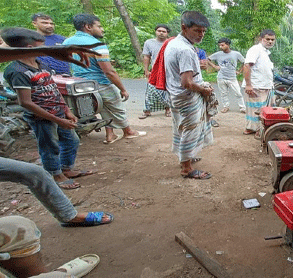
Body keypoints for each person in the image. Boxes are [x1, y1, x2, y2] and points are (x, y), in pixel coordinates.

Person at [2, 28, 95, 190]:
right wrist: (58, 120)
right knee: (49, 146)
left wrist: (66, 110)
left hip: (58, 112)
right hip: (41, 117)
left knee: (71, 140)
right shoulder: (17, 71)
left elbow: (52, 87)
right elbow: (26, 103)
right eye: (43, 47)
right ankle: (55, 174)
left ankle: (66, 168)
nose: (47, 50)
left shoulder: (41, 63)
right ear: (31, 48)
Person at [63, 13, 146, 144]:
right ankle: (128, 132)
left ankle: (110, 135)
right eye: (99, 26)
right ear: (88, 27)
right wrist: (123, 89)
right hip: (100, 82)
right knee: (117, 106)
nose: (102, 29)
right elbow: (109, 71)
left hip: (80, 84)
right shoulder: (96, 44)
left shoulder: (66, 42)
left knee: (103, 108)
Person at [163, 11, 214, 180]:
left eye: (203, 31)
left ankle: (185, 157)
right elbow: (187, 83)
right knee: (190, 131)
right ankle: (187, 168)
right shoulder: (185, 50)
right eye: (197, 31)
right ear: (184, 28)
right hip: (186, 96)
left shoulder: (173, 43)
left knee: (182, 128)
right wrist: (204, 90)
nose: (201, 35)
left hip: (176, 95)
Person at [242, 29, 276, 135]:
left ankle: (259, 129)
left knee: (265, 109)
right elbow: (247, 65)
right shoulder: (255, 49)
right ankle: (254, 129)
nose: (270, 41)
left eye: (272, 39)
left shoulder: (265, 52)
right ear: (261, 39)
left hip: (266, 86)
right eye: (267, 39)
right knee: (256, 109)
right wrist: (248, 85)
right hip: (256, 86)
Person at [139, 24, 171, 119]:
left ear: (167, 33)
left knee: (167, 90)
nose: (161, 33)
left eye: (164, 31)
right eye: (159, 31)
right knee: (151, 90)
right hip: (155, 70)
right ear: (155, 32)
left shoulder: (171, 43)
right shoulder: (149, 43)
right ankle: (147, 110)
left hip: (168, 71)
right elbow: (146, 57)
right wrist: (146, 70)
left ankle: (168, 108)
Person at [207, 37, 246, 114]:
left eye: (222, 45)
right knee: (223, 93)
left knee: (238, 93)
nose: (220, 47)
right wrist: (214, 66)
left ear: (227, 45)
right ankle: (226, 106)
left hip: (232, 78)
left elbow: (244, 62)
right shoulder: (218, 54)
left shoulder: (236, 54)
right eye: (219, 45)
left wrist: (239, 71)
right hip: (221, 77)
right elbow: (208, 59)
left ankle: (242, 107)